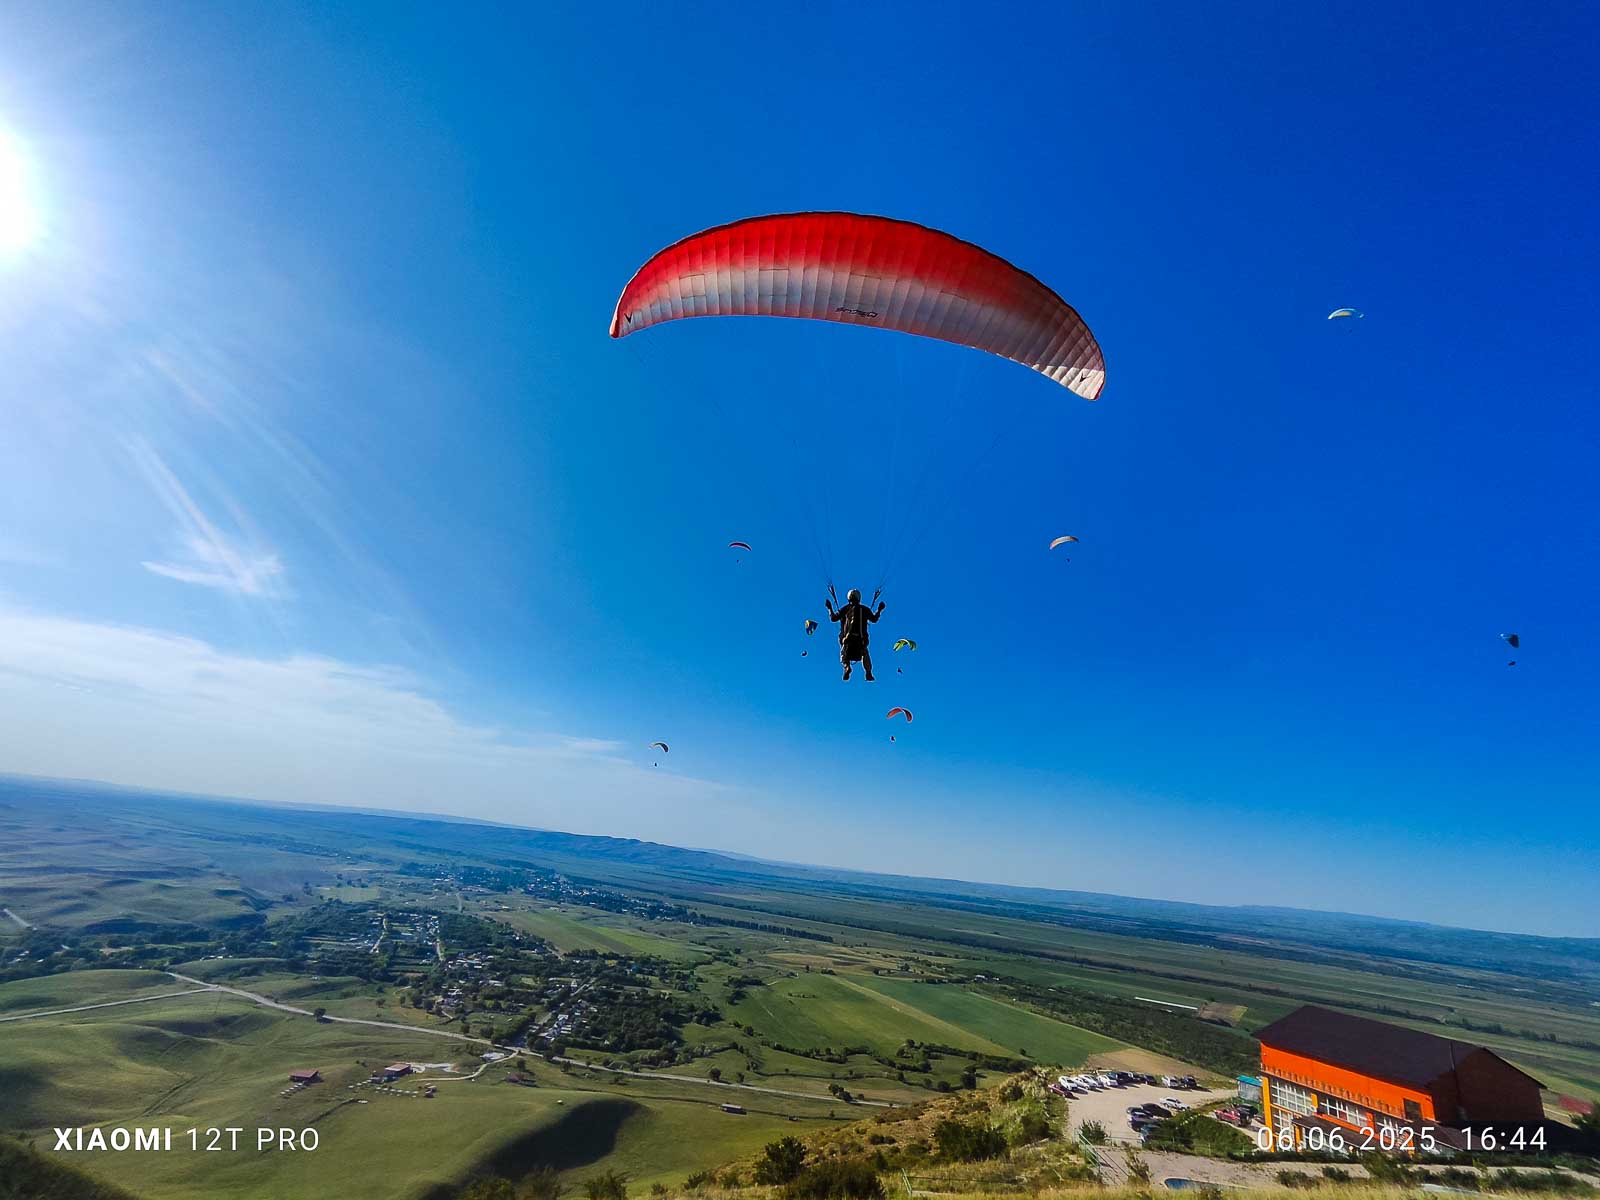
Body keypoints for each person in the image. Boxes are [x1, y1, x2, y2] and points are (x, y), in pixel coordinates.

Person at [826, 588, 884, 681]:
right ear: (859, 598)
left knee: (843, 653)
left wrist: (829, 608)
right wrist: (879, 609)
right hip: (861, 641)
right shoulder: (865, 609)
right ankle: (868, 673)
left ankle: (846, 667)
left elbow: (833, 618)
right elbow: (874, 619)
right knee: (865, 653)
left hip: (847, 640)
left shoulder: (845, 609)